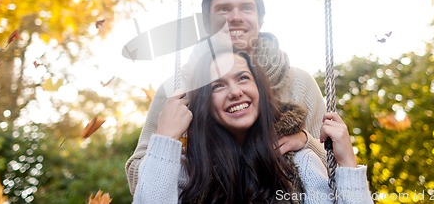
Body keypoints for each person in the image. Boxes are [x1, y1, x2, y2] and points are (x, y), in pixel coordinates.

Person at [126, 0, 328, 194]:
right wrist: (169, 144)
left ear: (260, 20)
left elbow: (334, 171)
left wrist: (306, 142)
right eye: (223, 9)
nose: (235, 17)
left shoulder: (299, 83)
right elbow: (138, 179)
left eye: (246, 8)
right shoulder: (179, 88)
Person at [133, 50, 373, 203]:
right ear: (205, 103)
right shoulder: (188, 170)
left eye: (243, 78)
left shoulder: (299, 163)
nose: (235, 92)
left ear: (260, 89)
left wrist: (348, 165)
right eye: (218, 86)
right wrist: (165, 138)